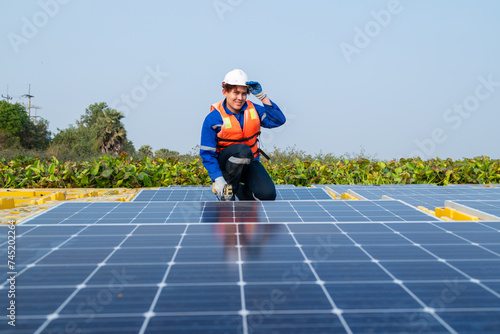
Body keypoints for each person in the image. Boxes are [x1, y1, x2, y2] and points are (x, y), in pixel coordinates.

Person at [200, 69, 286, 201]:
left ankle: (239, 191)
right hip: (226, 167)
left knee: (268, 195)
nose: (240, 98)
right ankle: (228, 193)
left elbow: (278, 120)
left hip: (249, 162)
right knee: (243, 151)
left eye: (244, 93)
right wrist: (218, 179)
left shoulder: (254, 110)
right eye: (236, 93)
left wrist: (263, 97)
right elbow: (207, 154)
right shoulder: (213, 119)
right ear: (225, 92)